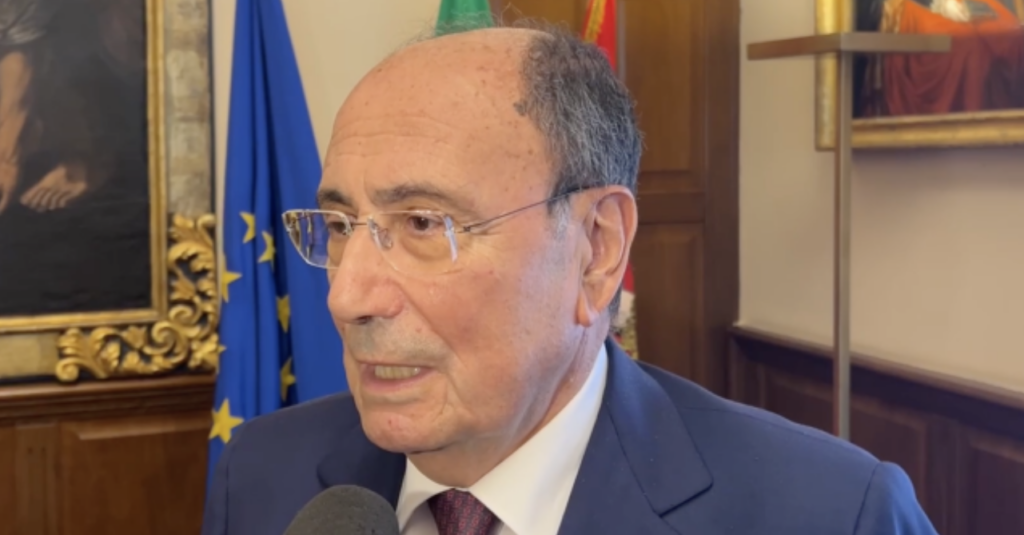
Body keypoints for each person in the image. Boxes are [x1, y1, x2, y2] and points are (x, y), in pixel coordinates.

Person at [200, 24, 938, 535]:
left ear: (596, 251)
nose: (347, 296)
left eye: (424, 223)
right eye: (338, 226)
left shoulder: (829, 513)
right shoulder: (263, 476)